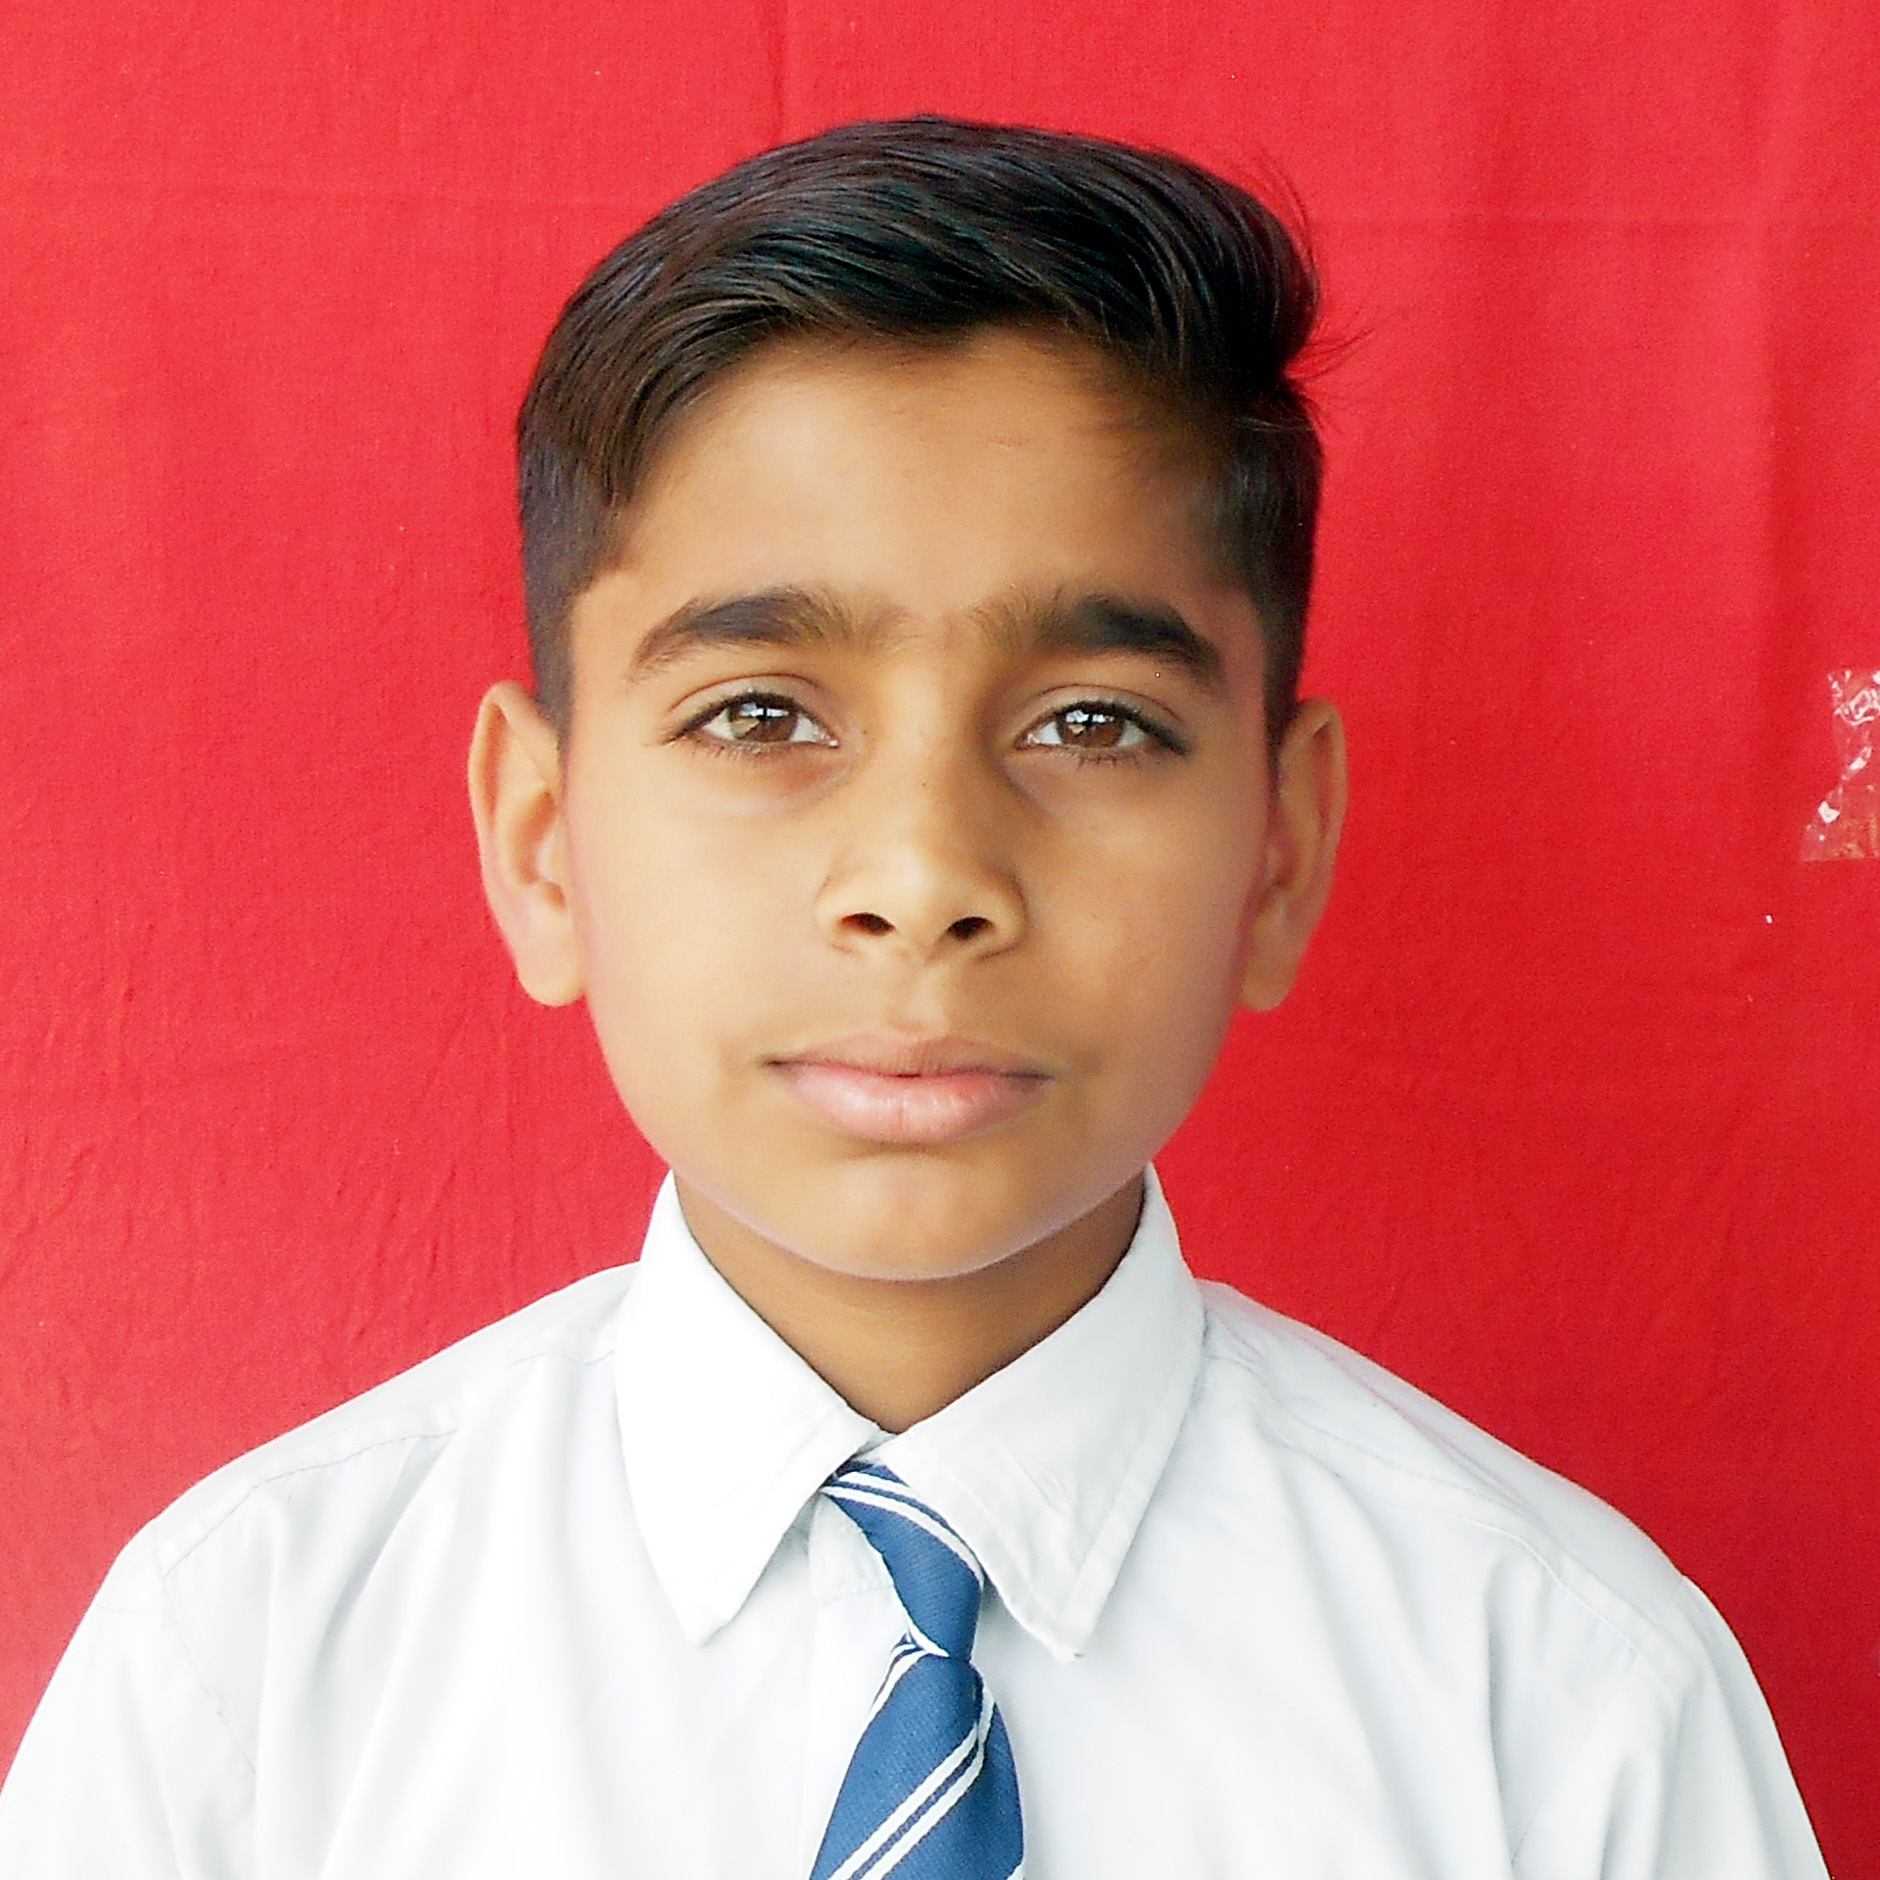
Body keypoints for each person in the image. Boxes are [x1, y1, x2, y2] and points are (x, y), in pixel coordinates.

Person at [0, 117, 1828, 1877]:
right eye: (760, 715)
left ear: (1278, 852)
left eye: (1093, 722)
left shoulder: (1564, 1703)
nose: (927, 874)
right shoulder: (245, 1678)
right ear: (544, 844)